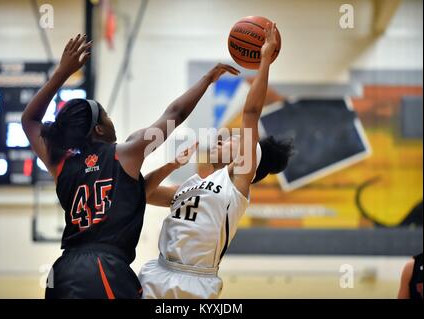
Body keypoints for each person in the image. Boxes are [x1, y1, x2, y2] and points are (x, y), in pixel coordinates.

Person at [21, 33, 239, 299]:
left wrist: (63, 72)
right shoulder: (125, 152)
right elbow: (175, 115)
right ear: (99, 129)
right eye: (107, 116)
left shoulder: (60, 164)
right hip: (102, 267)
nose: (112, 120)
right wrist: (208, 79)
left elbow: (30, 120)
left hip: (62, 272)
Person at [138, 24, 293, 298]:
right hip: (157, 272)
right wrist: (170, 166)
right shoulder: (191, 184)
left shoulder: (235, 186)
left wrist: (265, 60)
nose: (222, 136)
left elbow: (252, 112)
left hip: (195, 283)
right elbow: (140, 193)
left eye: (233, 138)